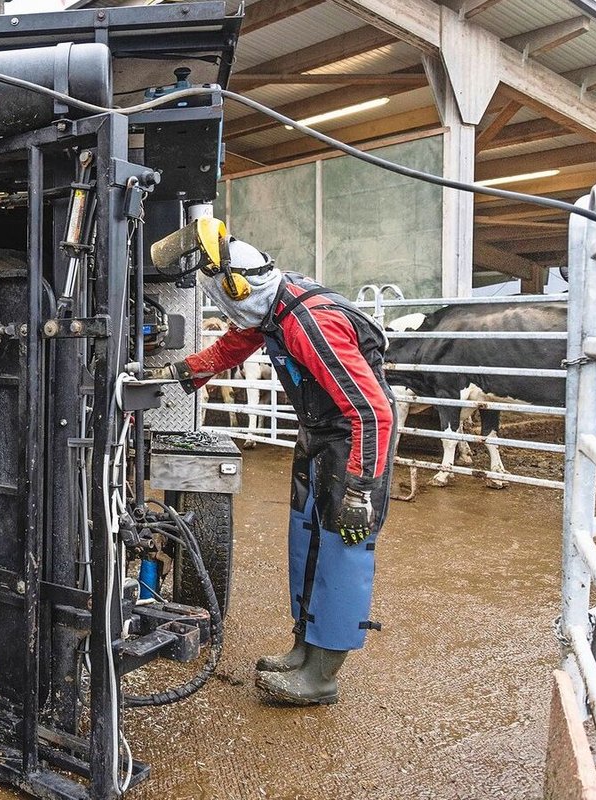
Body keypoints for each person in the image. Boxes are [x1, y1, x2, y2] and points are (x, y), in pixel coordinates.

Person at [154, 218, 395, 706]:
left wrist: (360, 491)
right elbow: (234, 344)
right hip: (317, 434)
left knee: (341, 550)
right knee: (307, 539)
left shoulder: (311, 323)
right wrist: (180, 371)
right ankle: (303, 648)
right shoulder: (273, 309)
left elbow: (373, 412)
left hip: (352, 442)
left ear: (239, 292)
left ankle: (322, 675)